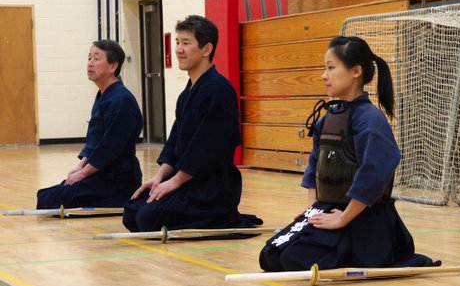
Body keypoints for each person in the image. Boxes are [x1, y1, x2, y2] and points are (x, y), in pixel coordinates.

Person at [259, 36, 438, 271]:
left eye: (331, 68)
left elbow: (374, 174)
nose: (325, 75)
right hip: (327, 209)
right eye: (325, 68)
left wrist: (343, 218)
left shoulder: (371, 119)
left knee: (291, 260)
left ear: (355, 71)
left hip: (363, 219)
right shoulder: (328, 118)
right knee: (270, 256)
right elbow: (315, 167)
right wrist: (312, 209)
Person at [123, 15, 262, 233]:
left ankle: (219, 216)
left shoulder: (219, 90)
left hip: (212, 186)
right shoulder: (186, 93)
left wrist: (176, 182)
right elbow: (175, 139)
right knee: (132, 211)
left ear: (206, 49)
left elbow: (206, 149)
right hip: (188, 180)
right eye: (177, 42)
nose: (179, 49)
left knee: (146, 217)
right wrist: (159, 178)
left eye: (186, 43)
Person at [37, 40, 143, 210]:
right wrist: (80, 167)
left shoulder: (121, 100)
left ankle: (119, 200)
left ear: (113, 66)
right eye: (89, 58)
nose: (90, 63)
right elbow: (96, 141)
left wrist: (83, 174)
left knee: (49, 199)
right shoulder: (104, 95)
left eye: (96, 58)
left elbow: (110, 147)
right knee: (47, 194)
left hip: (117, 179)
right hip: (102, 173)